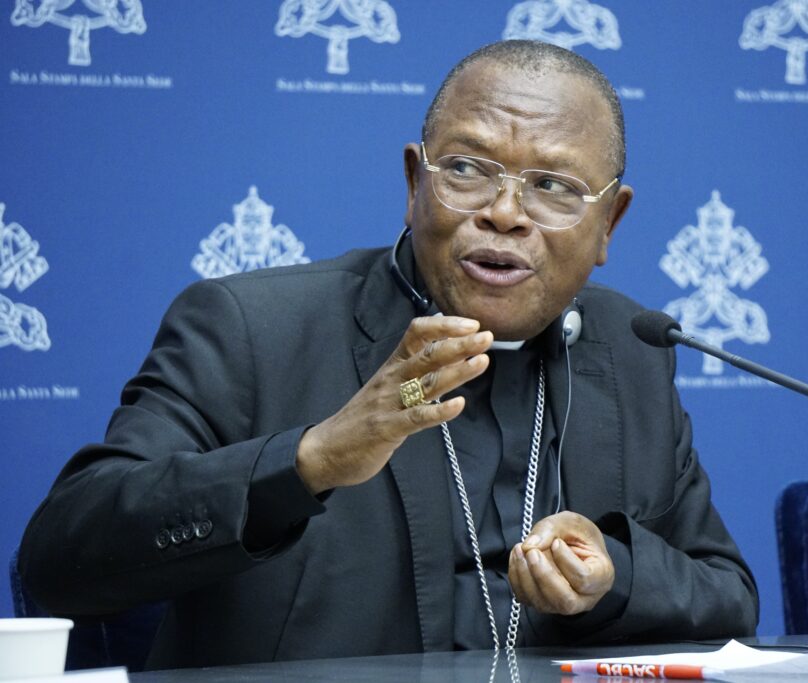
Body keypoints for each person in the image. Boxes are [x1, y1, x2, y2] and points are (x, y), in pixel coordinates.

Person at [19, 40, 758, 668]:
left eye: (553, 187)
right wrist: (307, 460)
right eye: (467, 169)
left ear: (609, 224)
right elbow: (58, 561)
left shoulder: (631, 350)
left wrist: (615, 576)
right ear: (414, 183)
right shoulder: (249, 328)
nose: (504, 214)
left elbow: (728, 594)